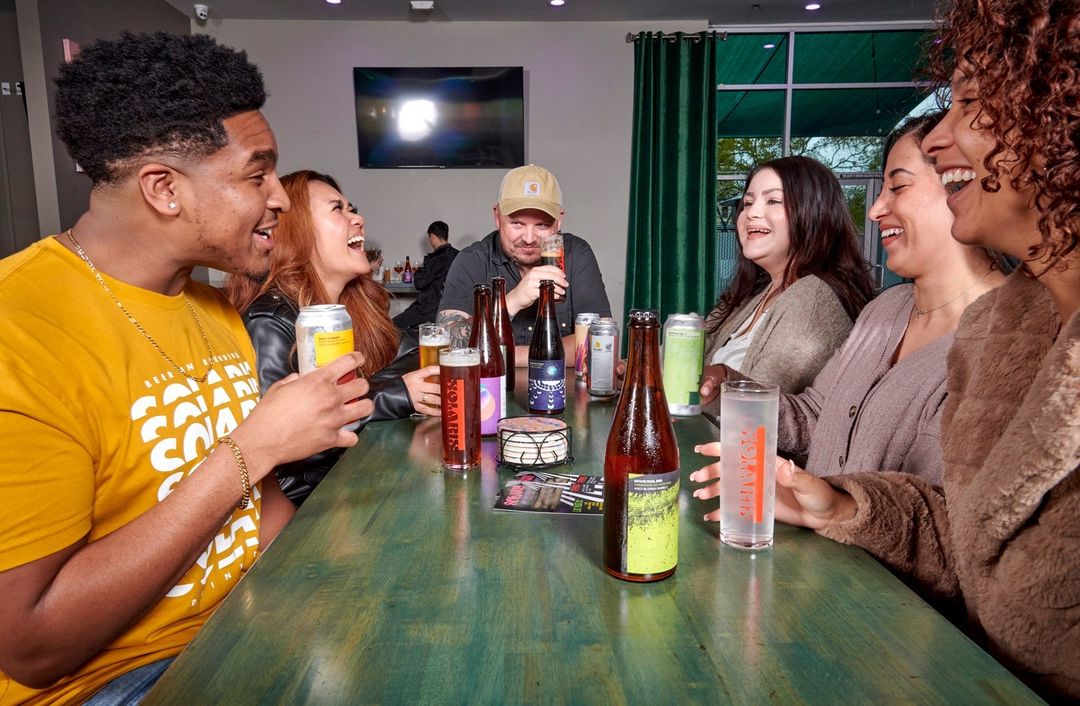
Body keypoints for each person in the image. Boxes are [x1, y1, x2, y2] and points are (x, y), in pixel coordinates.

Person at [0, 32, 371, 704]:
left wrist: (364, 583)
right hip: (107, 685)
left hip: (239, 629)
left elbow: (260, 519)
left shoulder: (213, 309)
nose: (280, 199)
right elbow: (31, 645)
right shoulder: (19, 329)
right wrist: (253, 448)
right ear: (164, 189)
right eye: (256, 175)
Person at [729, 1, 1080, 699]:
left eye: (971, 104)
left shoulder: (983, 325)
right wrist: (838, 505)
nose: (941, 137)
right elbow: (971, 539)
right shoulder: (1003, 329)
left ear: (1058, 119)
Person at [697, 113, 1005, 484]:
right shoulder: (886, 310)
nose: (875, 211)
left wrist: (839, 508)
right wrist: (726, 388)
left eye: (899, 187)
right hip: (813, 537)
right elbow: (814, 415)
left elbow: (945, 512)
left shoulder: (1010, 338)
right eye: (746, 204)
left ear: (964, 187)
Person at [225, 170, 440, 505]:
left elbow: (411, 352)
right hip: (309, 513)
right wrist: (394, 393)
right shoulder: (270, 320)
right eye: (337, 209)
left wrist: (374, 390)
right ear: (299, 232)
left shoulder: (353, 307)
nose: (358, 218)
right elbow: (285, 453)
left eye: (351, 207)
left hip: (360, 482)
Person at [700, 156, 875, 395]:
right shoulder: (752, 293)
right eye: (748, 203)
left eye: (773, 200)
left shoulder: (812, 298)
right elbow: (688, 351)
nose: (752, 213)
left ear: (815, 213)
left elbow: (761, 403)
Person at [437, 164, 612, 366]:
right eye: (517, 224)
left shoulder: (577, 254)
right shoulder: (472, 260)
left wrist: (504, 355)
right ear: (497, 216)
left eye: (543, 225)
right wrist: (510, 303)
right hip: (491, 394)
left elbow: (600, 344)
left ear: (559, 221)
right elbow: (447, 345)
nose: (529, 238)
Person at [392, 220, 459, 331]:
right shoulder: (458, 256)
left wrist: (418, 270)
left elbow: (420, 283)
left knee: (390, 327)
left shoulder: (435, 259)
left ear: (432, 236)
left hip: (427, 309)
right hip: (450, 310)